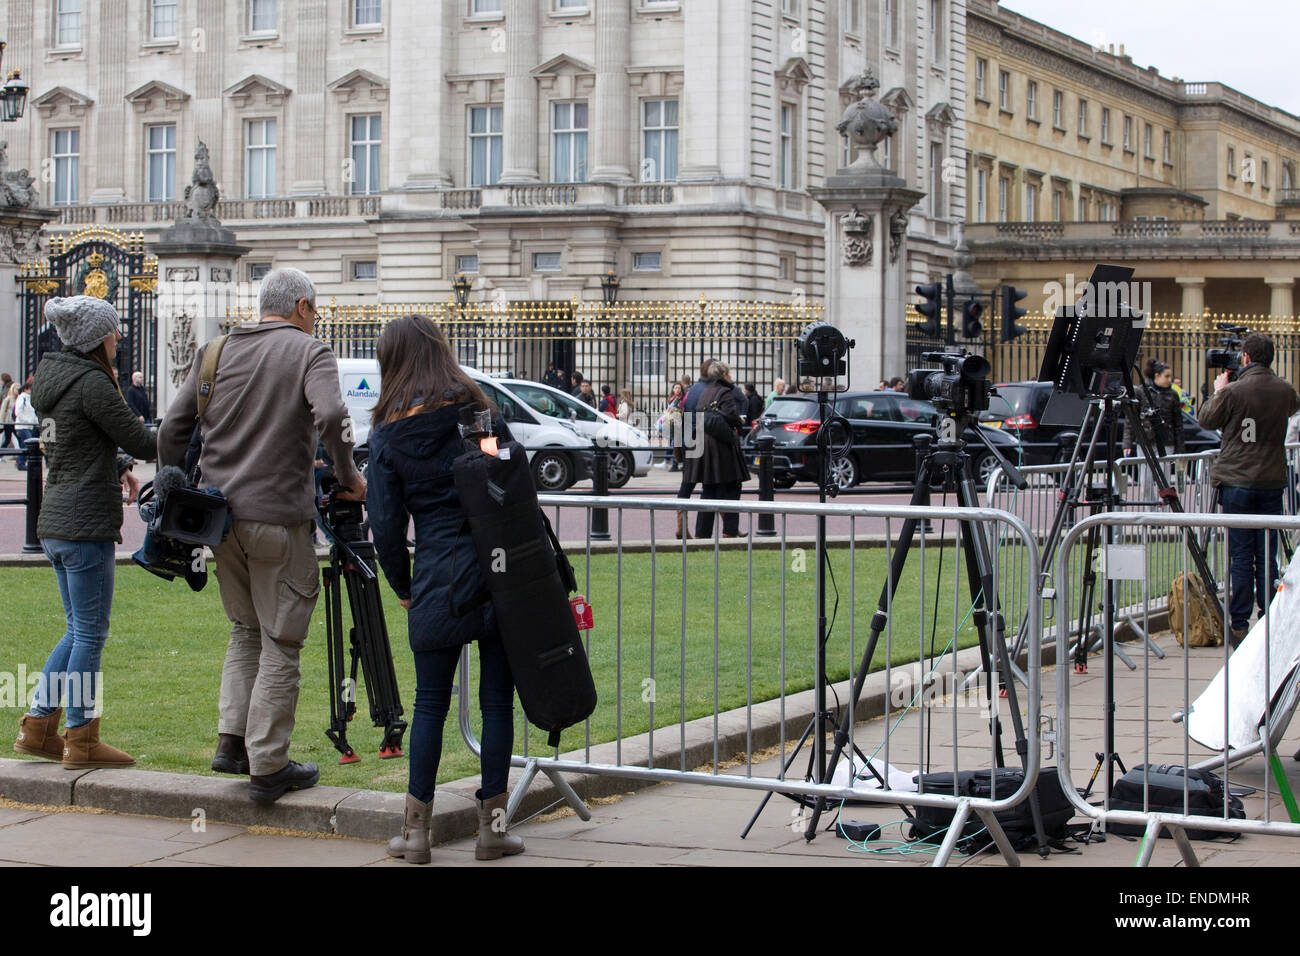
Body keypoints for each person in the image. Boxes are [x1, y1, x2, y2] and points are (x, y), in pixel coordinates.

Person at [158, 267, 365, 803]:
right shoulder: (308, 350)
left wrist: (171, 481)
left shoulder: (216, 350)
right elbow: (334, 413)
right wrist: (349, 477)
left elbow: (170, 430)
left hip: (216, 518)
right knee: (282, 637)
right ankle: (269, 763)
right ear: (301, 306)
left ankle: (232, 741)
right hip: (278, 516)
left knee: (244, 629)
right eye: (314, 309)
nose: (314, 318)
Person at [365, 313, 523, 864]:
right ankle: (492, 830)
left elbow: (384, 526)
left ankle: (415, 835)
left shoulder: (387, 432)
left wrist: (402, 584)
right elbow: (506, 484)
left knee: (429, 704)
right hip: (496, 570)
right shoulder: (478, 413)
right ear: (440, 351)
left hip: (436, 572)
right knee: (496, 702)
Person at [14, 297, 157, 770]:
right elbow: (141, 440)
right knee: (91, 634)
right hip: (83, 522)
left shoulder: (54, 380)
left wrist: (115, 465)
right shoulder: (93, 382)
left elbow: (70, 441)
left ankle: (37, 728)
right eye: (114, 332)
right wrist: (192, 426)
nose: (119, 339)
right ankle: (82, 737)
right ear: (97, 338)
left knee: (77, 630)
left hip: (56, 519)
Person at [1197, 332, 1300, 646]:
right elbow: (1292, 407)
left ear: (1244, 357)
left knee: (1241, 554)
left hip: (1237, 480)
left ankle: (1239, 622)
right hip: (1270, 479)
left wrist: (1219, 390)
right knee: (1266, 553)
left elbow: (1205, 420)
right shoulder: (1285, 390)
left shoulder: (1233, 391)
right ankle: (1268, 615)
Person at [684, 359, 751, 538]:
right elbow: (730, 416)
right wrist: (739, 421)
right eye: (728, 373)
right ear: (723, 375)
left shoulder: (705, 393)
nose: (730, 376)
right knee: (731, 489)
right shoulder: (726, 392)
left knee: (709, 490)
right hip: (721, 447)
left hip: (704, 446)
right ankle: (729, 531)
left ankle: (702, 534)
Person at [1126, 359, 1184, 457]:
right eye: (1167, 376)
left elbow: (1178, 423)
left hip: (1166, 441)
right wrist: (1127, 444)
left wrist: (1180, 449)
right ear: (1157, 375)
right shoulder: (1141, 391)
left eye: (1170, 376)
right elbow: (1131, 419)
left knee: (1163, 470)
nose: (1170, 380)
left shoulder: (1173, 394)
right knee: (1145, 470)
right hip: (1145, 440)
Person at [13, 381, 38, 470]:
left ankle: (21, 462)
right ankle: (21, 462)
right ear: (26, 389)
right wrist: (26, 420)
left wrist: (36, 422)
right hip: (22, 426)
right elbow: (18, 412)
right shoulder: (22, 398)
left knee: (25, 444)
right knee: (28, 444)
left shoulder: (29, 398)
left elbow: (32, 413)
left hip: (29, 425)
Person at [662, 382, 686, 472]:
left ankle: (676, 464)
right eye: (676, 388)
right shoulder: (672, 399)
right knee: (675, 444)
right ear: (673, 389)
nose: (677, 390)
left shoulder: (681, 399)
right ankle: (677, 464)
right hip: (672, 423)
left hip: (680, 424)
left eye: (679, 388)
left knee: (677, 444)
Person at [0, 380, 16, 450]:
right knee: (7, 439)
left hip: (16, 422)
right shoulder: (8, 399)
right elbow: (3, 411)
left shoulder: (19, 398)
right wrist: (1, 423)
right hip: (8, 421)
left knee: (15, 439)